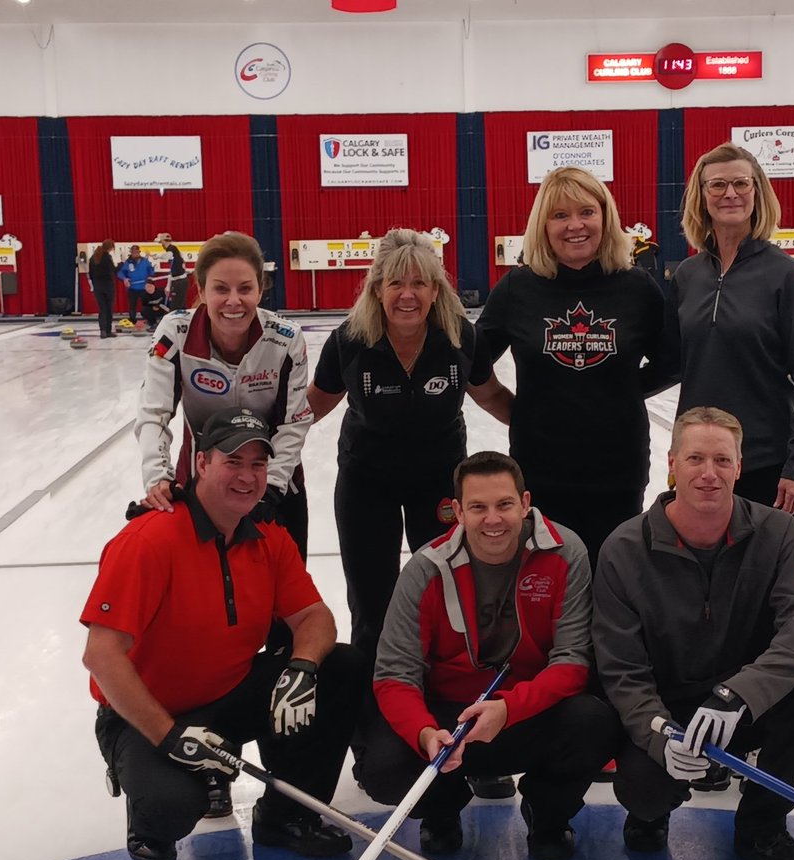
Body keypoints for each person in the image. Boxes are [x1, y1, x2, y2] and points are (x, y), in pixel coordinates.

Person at [81, 406, 364, 860]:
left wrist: (303, 667)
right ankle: (144, 804)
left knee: (340, 667)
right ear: (201, 463)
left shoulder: (268, 535)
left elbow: (314, 616)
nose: (247, 476)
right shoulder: (149, 540)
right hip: (148, 715)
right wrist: (170, 736)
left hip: (227, 695)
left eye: (258, 464)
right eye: (233, 461)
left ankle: (286, 816)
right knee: (171, 808)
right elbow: (102, 656)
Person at [593, 407, 794, 860]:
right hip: (669, 709)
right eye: (695, 458)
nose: (709, 473)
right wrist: (659, 734)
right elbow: (621, 669)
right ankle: (651, 812)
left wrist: (742, 693)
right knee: (644, 791)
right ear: (672, 463)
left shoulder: (778, 533)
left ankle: (762, 827)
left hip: (741, 705)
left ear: (739, 467)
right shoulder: (623, 547)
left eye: (722, 460)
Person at [360, 451, 620, 860]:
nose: (493, 519)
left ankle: (547, 812)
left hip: (525, 709)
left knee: (595, 723)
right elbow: (394, 675)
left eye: (504, 504)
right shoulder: (426, 568)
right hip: (449, 719)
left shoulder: (565, 552)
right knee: (382, 767)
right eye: (478, 507)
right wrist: (425, 734)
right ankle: (443, 807)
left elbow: (572, 663)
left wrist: (507, 709)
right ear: (458, 511)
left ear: (525, 503)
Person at [307, 229, 512, 669]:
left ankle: (440, 686)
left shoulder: (461, 338)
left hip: (438, 482)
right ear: (376, 289)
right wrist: (259, 443)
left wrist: (547, 428)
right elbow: (310, 408)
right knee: (371, 601)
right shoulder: (349, 342)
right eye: (396, 283)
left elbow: (493, 396)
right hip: (366, 481)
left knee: (442, 590)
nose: (407, 295)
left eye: (419, 283)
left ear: (435, 290)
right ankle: (373, 694)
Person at [478, 166, 672, 568]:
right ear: (543, 225)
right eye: (560, 215)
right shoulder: (517, 289)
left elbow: (673, 361)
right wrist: (513, 408)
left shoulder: (637, 287)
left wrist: (620, 392)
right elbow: (473, 361)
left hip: (618, 470)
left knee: (612, 579)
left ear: (605, 218)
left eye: (586, 212)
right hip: (540, 470)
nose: (575, 225)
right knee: (548, 583)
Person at [136, 231, 314, 563]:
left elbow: (294, 422)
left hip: (275, 490)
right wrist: (158, 477)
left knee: (283, 593)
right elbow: (153, 413)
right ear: (202, 290)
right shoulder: (174, 333)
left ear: (260, 289)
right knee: (204, 594)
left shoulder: (287, 339)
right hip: (200, 489)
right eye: (221, 289)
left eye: (245, 288)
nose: (234, 301)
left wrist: (270, 488)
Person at [671, 142, 794, 521]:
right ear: (702, 195)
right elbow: (672, 363)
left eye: (741, 183)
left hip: (765, 462)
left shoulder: (786, 274)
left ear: (757, 192)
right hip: (700, 464)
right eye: (717, 185)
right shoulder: (688, 276)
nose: (730, 194)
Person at [117, 244, 155, 325]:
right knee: (132, 306)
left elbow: (151, 270)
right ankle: (132, 321)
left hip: (144, 288)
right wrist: (124, 279)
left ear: (139, 252)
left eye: (136, 252)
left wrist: (151, 276)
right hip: (132, 288)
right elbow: (120, 273)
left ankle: (148, 320)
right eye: (133, 252)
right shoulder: (127, 262)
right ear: (131, 253)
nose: (135, 254)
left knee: (147, 305)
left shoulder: (145, 261)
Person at [88, 239, 118, 339]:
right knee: (109, 309)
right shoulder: (107, 257)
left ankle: (103, 331)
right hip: (108, 286)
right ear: (110, 247)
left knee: (102, 309)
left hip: (98, 286)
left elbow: (91, 274)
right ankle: (108, 331)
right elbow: (113, 271)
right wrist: (121, 265)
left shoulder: (93, 257)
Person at [156, 232, 189, 311]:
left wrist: (156, 256)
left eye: (161, 242)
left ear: (164, 241)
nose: (161, 245)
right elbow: (171, 272)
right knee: (180, 304)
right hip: (178, 280)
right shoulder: (174, 252)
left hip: (179, 281)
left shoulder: (172, 249)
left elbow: (167, 255)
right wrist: (168, 286)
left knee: (176, 305)